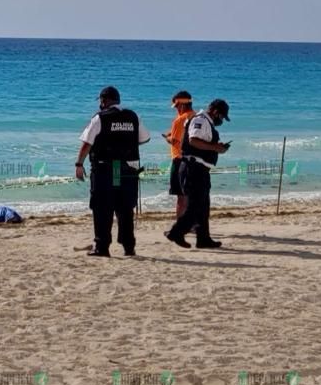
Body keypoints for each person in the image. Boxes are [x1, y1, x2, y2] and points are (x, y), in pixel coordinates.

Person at [75, 86, 151, 257]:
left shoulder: (99, 118)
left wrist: (79, 164)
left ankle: (102, 247)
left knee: (102, 208)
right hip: (126, 170)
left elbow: (87, 143)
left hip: (105, 170)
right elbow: (144, 139)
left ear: (103, 101)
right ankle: (128, 247)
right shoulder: (133, 116)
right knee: (125, 209)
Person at [165, 99, 231, 249]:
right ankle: (176, 232)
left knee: (203, 206)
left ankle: (203, 238)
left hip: (200, 169)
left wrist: (217, 147)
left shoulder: (207, 123)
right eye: (221, 117)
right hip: (193, 168)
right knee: (195, 206)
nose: (221, 120)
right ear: (215, 112)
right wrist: (215, 147)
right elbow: (193, 140)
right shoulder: (200, 120)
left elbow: (202, 142)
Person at [163, 91, 196, 218]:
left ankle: (180, 225)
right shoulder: (196, 116)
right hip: (193, 161)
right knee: (190, 195)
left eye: (176, 106)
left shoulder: (179, 120)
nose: (176, 109)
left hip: (178, 159)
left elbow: (175, 141)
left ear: (181, 105)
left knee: (181, 197)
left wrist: (167, 137)